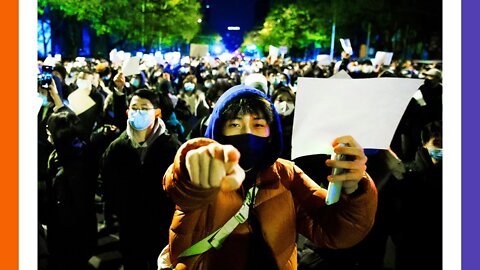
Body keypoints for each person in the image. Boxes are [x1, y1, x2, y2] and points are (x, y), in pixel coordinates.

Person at [162, 85, 378, 269]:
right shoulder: (206, 175)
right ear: (219, 130)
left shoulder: (286, 175)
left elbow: (335, 231)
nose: (247, 133)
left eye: (258, 125)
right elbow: (183, 185)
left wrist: (354, 189)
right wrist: (195, 167)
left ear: (271, 133)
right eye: (235, 125)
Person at [100, 89, 182, 270]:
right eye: (134, 108)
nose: (138, 112)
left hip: (161, 224)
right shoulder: (117, 147)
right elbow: (107, 184)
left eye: (144, 108)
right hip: (129, 224)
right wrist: (115, 212)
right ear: (127, 112)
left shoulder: (172, 147)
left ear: (157, 112)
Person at [44, 108, 98, 270]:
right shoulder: (74, 151)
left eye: (49, 129)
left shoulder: (68, 169)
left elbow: (68, 211)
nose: (47, 133)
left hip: (70, 238)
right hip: (81, 231)